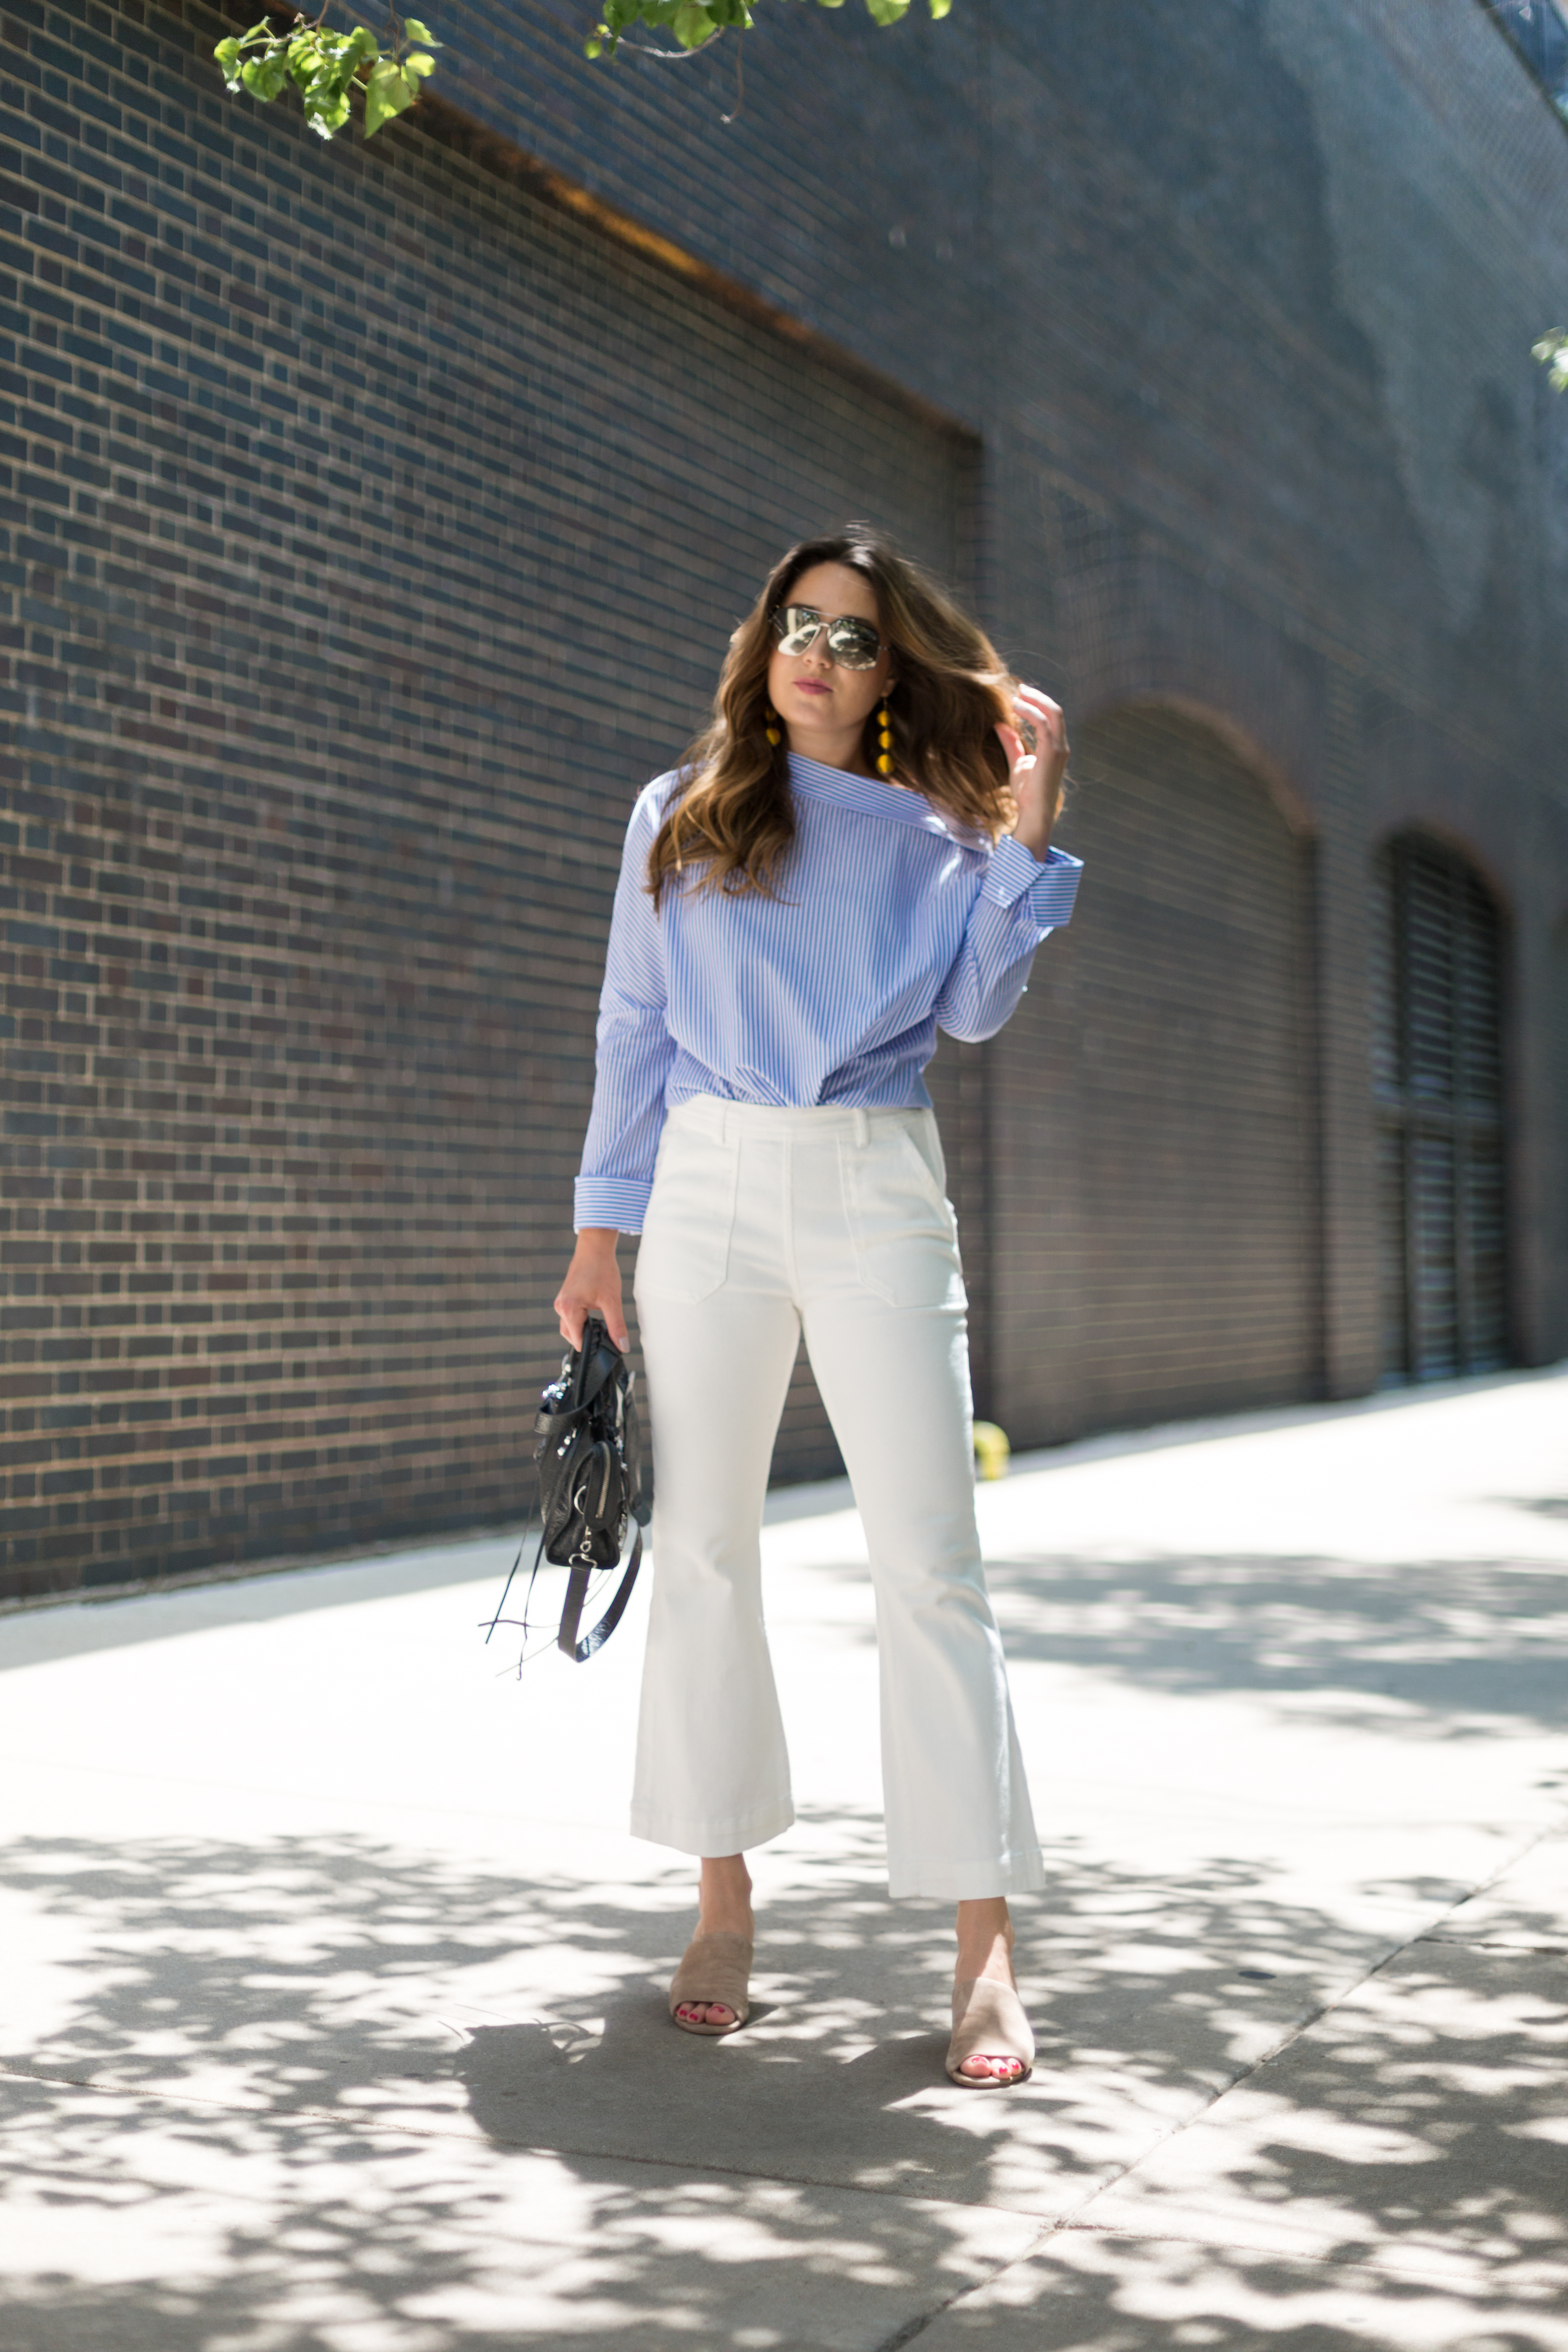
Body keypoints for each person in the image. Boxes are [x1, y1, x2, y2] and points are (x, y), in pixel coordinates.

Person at [554, 525, 1079, 2087]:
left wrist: (1026, 824)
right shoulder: (684, 808)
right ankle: (722, 1903)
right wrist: (600, 1232)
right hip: (708, 1180)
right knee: (706, 1549)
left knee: (932, 1560)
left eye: (855, 636)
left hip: (869, 1182)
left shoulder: (936, 830)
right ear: (763, 637)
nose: (821, 654)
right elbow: (633, 1028)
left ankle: (983, 1946)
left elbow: (977, 1006)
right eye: (801, 623)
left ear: (891, 666)